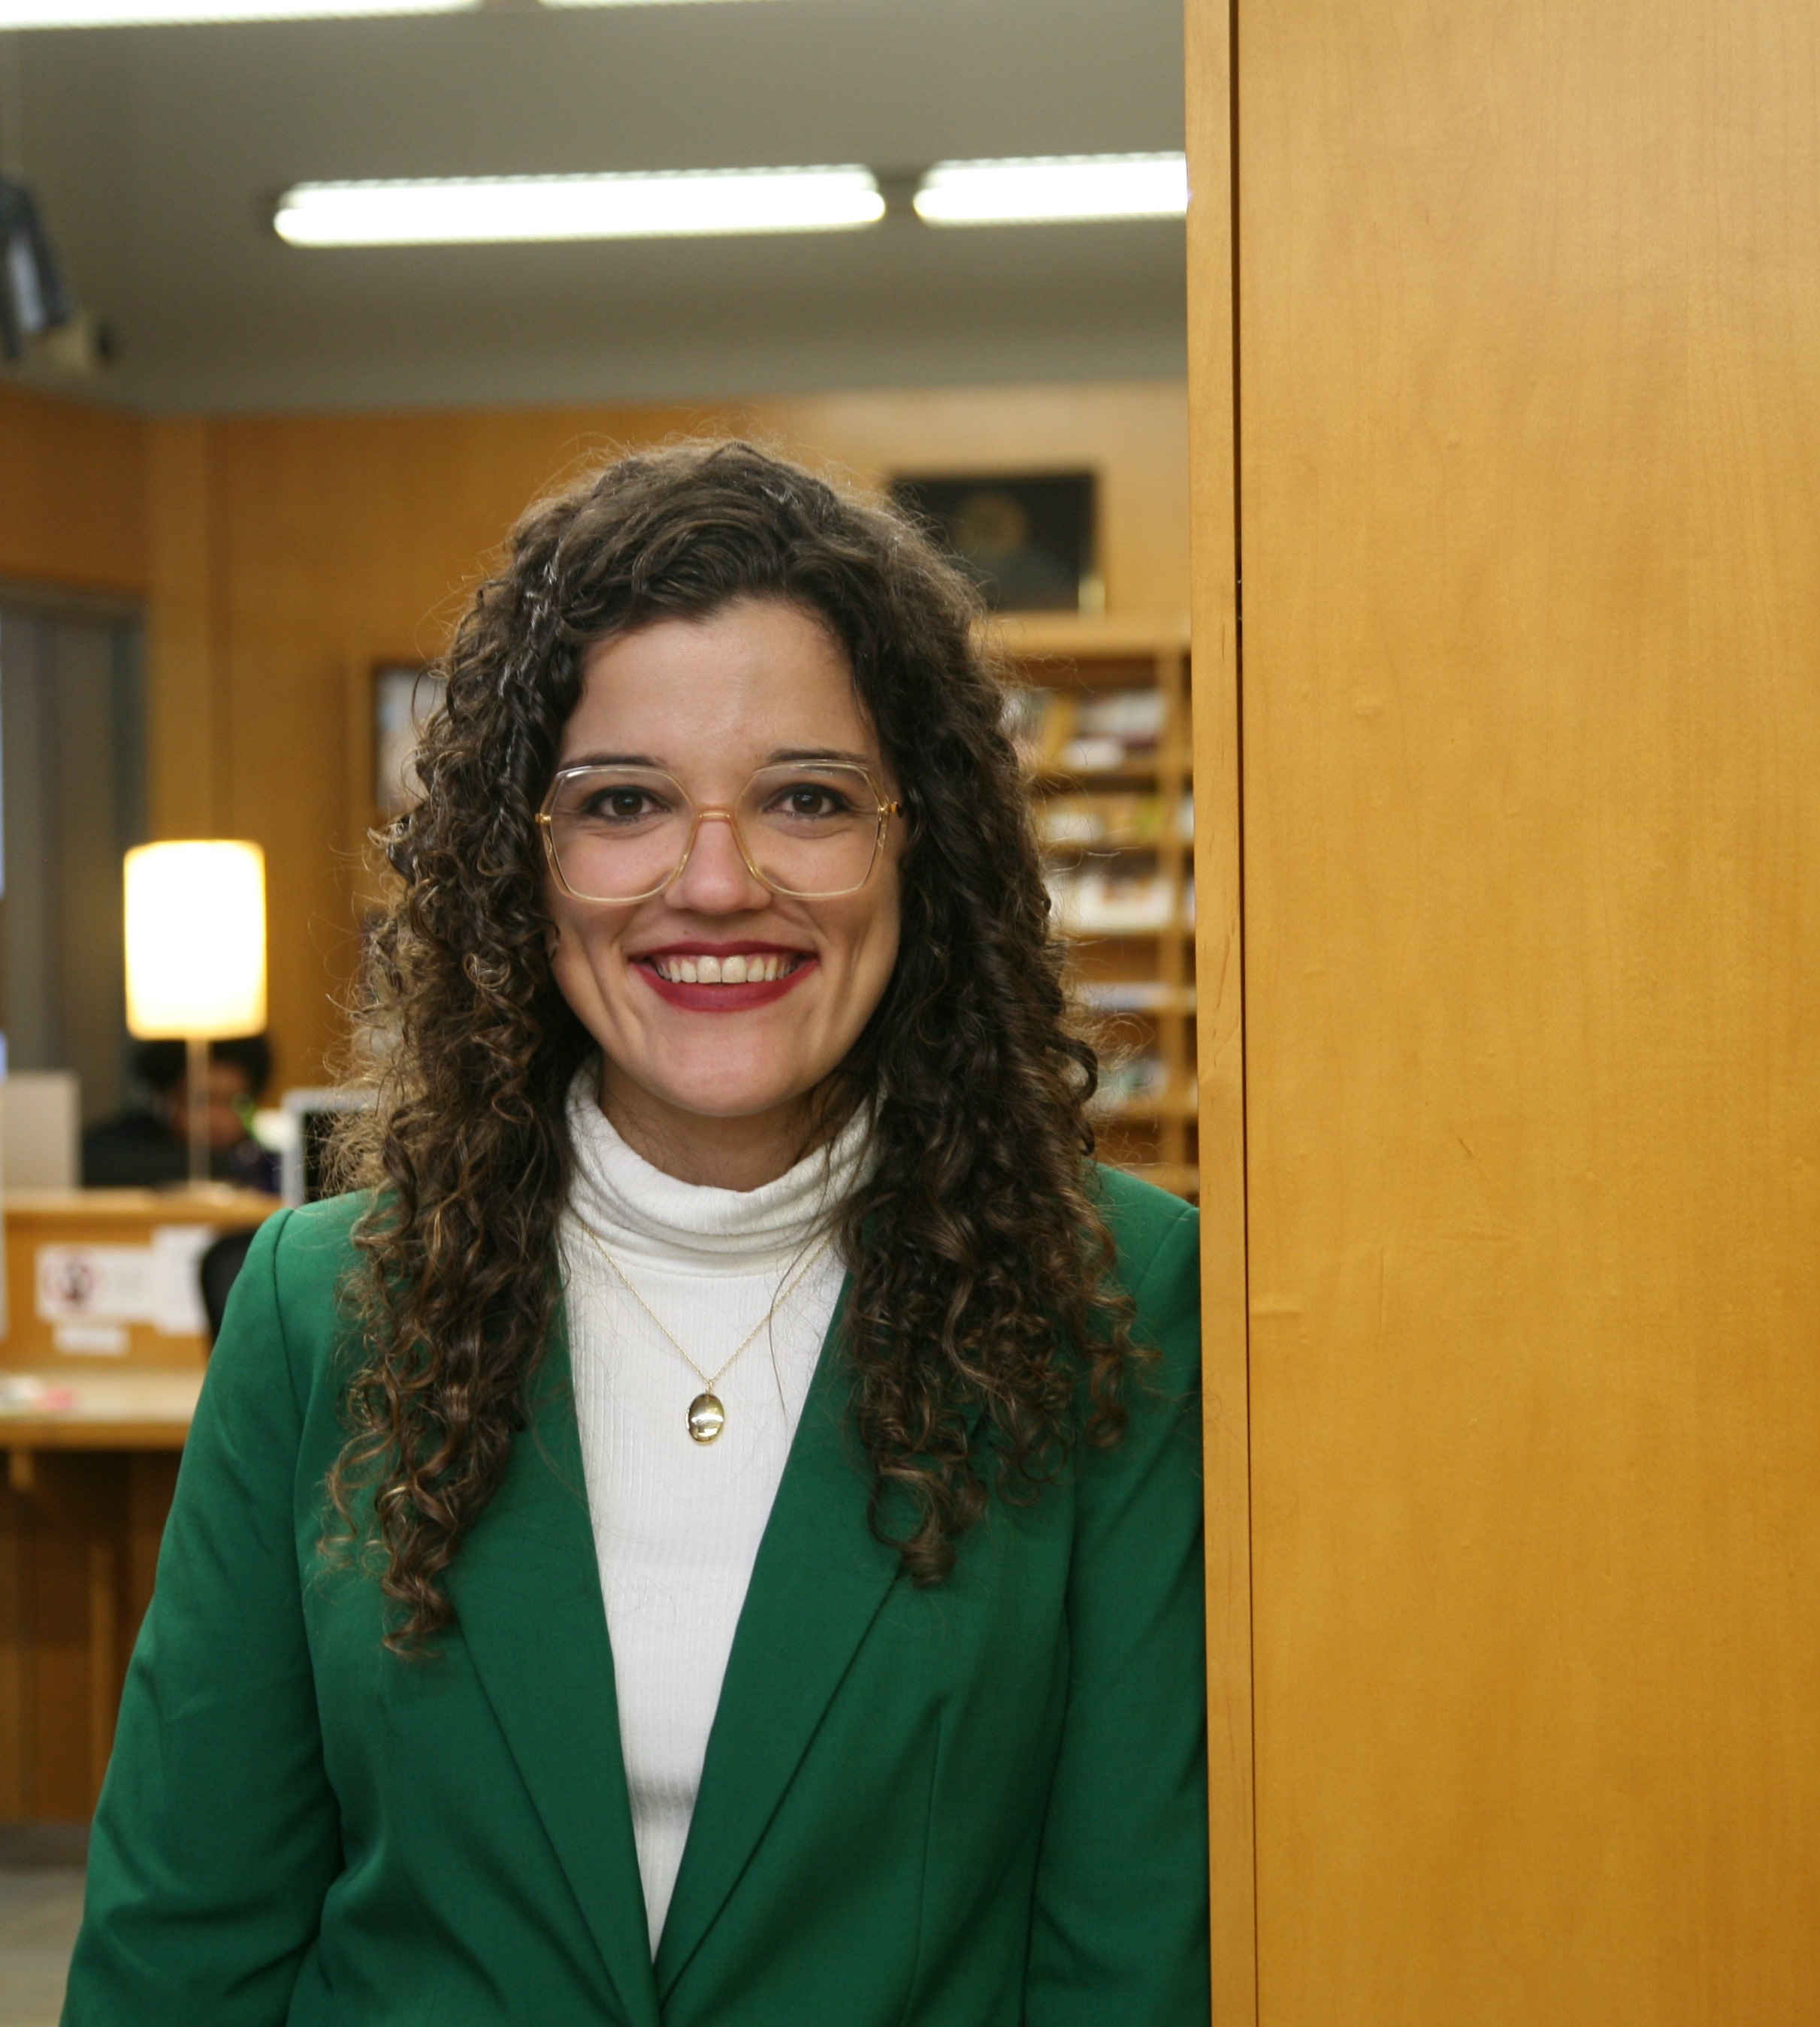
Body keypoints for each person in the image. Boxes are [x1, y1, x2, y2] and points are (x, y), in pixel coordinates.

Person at [63, 442, 1207, 2024]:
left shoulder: (1118, 1291)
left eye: (808, 796)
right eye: (621, 803)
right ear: (517, 865)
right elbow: (186, 1934)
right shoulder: (318, 1303)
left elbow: (1126, 1946)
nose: (716, 879)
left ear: (917, 840)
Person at [78, 1034, 282, 1193]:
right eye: (200, 1101)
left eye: (235, 1102)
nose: (217, 1118)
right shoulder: (115, 1151)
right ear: (167, 1099)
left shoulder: (262, 1161)